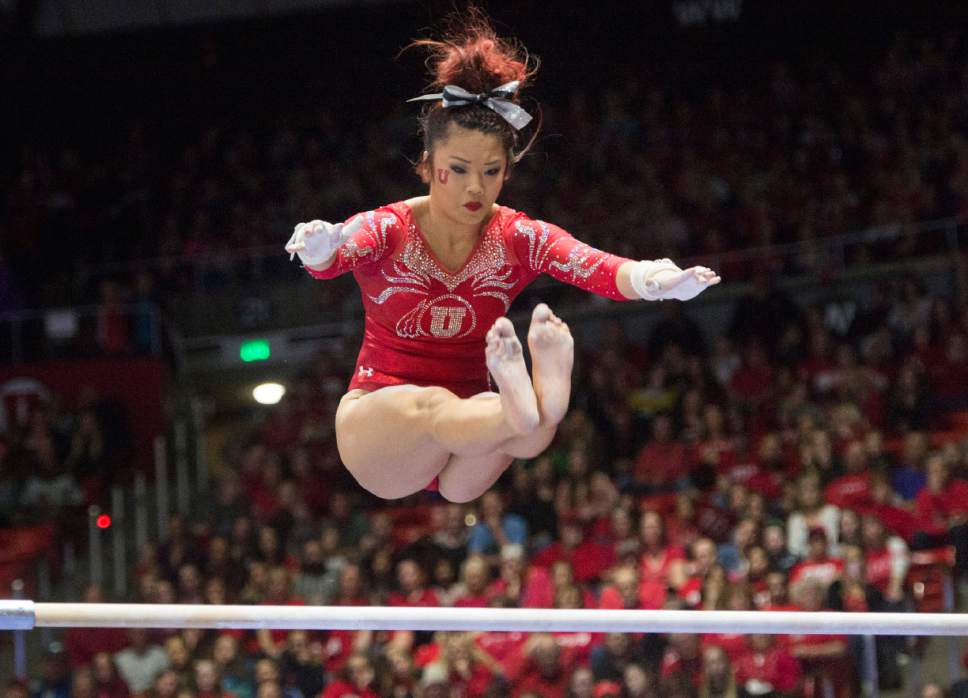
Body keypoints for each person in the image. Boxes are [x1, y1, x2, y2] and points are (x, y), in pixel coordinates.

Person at [285, 11, 720, 503]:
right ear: (427, 166)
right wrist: (322, 246)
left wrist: (654, 278)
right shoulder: (390, 227)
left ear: (507, 172)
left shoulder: (516, 235)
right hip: (385, 426)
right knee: (450, 410)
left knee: (512, 440)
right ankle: (534, 405)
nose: (476, 186)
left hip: (472, 431)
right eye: (459, 169)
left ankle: (539, 405)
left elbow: (592, 264)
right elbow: (338, 255)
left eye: (491, 171)